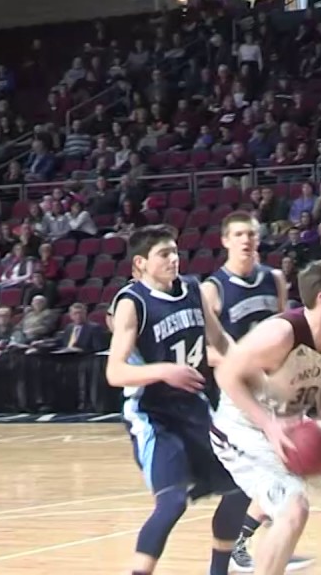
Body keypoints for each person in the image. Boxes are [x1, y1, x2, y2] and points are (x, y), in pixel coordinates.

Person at [212, 260, 321, 575]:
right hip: (244, 427)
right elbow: (226, 374)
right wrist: (268, 424)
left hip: (292, 421)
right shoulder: (280, 334)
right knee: (293, 508)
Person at [105, 225, 249, 575]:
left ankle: (219, 571)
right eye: (164, 254)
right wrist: (163, 371)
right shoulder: (132, 303)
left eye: (175, 252)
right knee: (171, 502)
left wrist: (248, 368)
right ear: (140, 263)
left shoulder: (193, 289)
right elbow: (115, 372)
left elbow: (220, 340)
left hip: (195, 408)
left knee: (243, 485)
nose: (174, 259)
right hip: (153, 415)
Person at [201, 211, 312, 573]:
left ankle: (264, 545)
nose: (246, 240)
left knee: (284, 476)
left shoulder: (274, 279)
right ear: (225, 241)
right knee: (241, 488)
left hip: (275, 394)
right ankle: (227, 558)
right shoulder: (213, 289)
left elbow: (285, 330)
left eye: (251, 234)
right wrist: (243, 360)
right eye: (238, 234)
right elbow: (205, 351)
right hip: (238, 398)